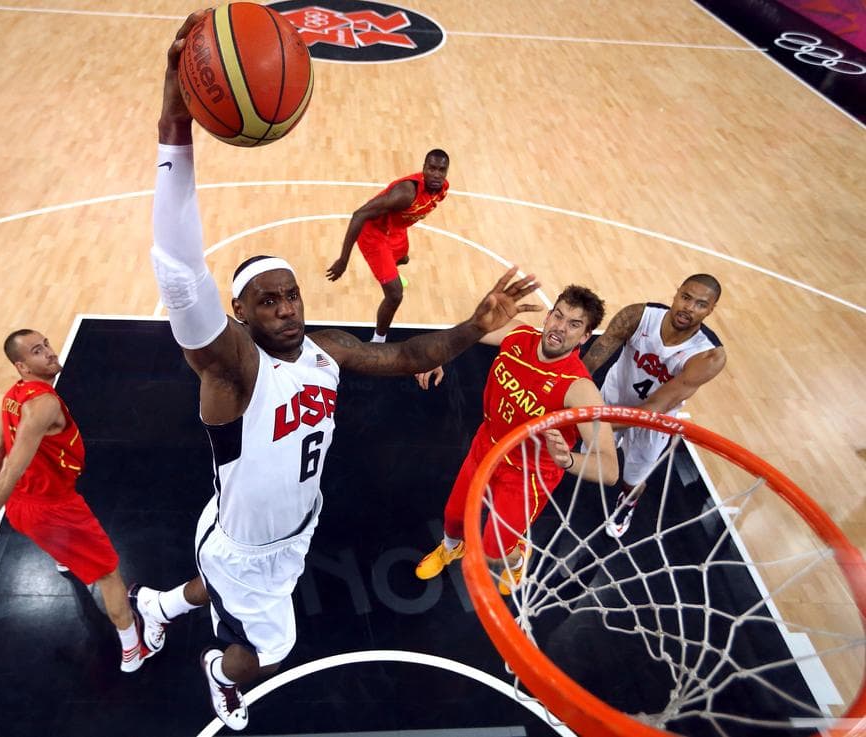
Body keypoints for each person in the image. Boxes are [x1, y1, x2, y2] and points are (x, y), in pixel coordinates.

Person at [131, 13, 541, 732]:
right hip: (246, 542)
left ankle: (160, 605)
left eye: (291, 293)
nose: (287, 307)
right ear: (241, 312)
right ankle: (214, 671)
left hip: (284, 532)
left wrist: (476, 327)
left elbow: (405, 355)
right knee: (276, 644)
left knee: (221, 587)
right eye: (269, 299)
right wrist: (174, 118)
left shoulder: (326, 348)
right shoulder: (231, 367)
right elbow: (177, 269)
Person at [0, 329, 160, 673]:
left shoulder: (12, 395)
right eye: (36, 351)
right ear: (22, 366)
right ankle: (133, 649)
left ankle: (64, 559)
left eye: (45, 344)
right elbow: (11, 467)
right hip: (55, 508)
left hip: (23, 507)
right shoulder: (43, 405)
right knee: (108, 573)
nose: (48, 352)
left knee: (54, 539)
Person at [414, 287, 620, 594]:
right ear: (548, 316)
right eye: (558, 316)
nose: (560, 328)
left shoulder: (579, 389)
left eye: (574, 324)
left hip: (528, 473)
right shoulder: (516, 336)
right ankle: (449, 548)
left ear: (585, 337)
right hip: (487, 446)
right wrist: (438, 354)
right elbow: (468, 331)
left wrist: (568, 460)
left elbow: (610, 469)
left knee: (495, 548)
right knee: (454, 517)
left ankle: (516, 559)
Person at [581, 274, 726, 537]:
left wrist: (588, 421)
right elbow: (589, 362)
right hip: (613, 397)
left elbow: (654, 407)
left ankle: (627, 505)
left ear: (711, 309)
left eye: (700, 304)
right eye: (686, 297)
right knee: (591, 458)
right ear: (676, 293)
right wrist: (568, 393)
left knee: (632, 478)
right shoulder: (637, 316)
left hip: (653, 421)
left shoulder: (708, 356)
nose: (689, 308)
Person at [325, 148, 450, 343]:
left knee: (403, 258)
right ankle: (378, 340)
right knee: (395, 295)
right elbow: (359, 215)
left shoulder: (442, 189)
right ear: (423, 168)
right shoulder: (405, 193)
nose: (436, 174)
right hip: (373, 234)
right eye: (431, 168)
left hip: (395, 230)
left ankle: (391, 270)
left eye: (441, 170)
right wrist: (343, 260)